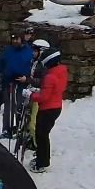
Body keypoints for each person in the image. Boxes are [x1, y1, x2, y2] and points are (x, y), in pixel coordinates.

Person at [27, 44, 68, 173]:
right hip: (55, 107)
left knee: (41, 135)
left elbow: (44, 97)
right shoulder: (61, 72)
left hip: (48, 109)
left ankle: (42, 162)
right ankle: (41, 155)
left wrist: (31, 95)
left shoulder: (50, 77)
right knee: (43, 134)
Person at [0, 32, 33, 138]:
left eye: (17, 39)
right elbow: (1, 63)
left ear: (22, 39)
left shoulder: (28, 51)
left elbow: (32, 66)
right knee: (9, 106)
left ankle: (19, 128)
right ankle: (7, 130)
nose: (15, 41)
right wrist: (2, 76)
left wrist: (27, 79)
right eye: (13, 39)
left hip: (22, 83)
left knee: (20, 105)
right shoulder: (8, 50)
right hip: (9, 81)